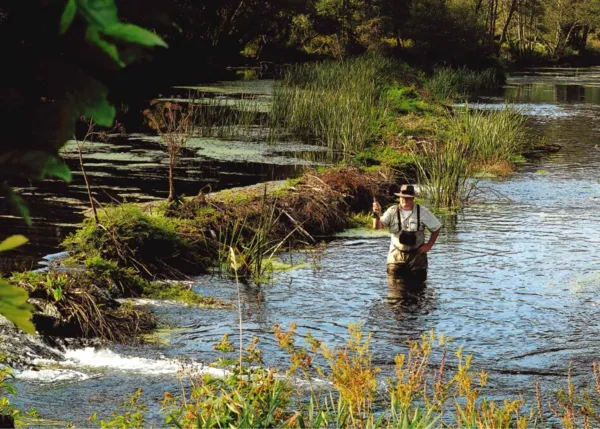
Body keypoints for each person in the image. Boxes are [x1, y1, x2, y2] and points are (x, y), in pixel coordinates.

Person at [372, 184, 441, 278]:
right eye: (403, 197)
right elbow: (377, 227)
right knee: (394, 289)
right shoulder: (391, 211)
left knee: (418, 290)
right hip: (396, 256)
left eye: (408, 198)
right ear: (399, 197)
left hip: (417, 257)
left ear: (413, 198)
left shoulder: (423, 212)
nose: (405, 199)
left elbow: (436, 227)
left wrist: (429, 245)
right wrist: (376, 214)